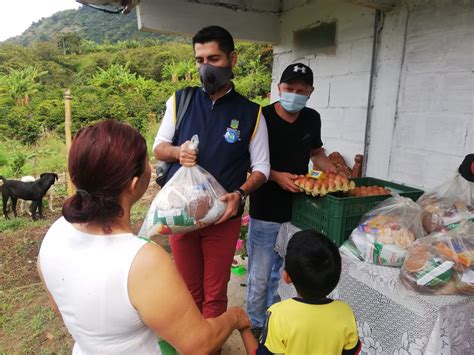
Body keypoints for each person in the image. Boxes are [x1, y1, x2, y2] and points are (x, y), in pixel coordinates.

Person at [37, 120, 250, 354]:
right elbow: (198, 343)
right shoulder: (142, 261)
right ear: (134, 184)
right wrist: (235, 318)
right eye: (147, 162)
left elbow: (61, 309)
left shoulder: (55, 233)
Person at [153, 25, 270, 320]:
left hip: (222, 217)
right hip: (181, 214)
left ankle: (210, 348)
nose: (206, 68)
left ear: (232, 59)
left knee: (215, 296)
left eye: (214, 59)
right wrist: (178, 152)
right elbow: (158, 147)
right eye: (199, 60)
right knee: (189, 292)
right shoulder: (180, 101)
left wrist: (240, 193)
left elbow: (262, 169)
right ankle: (195, 345)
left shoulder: (251, 113)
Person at [247, 63, 335, 336]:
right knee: (260, 277)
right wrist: (276, 176)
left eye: (301, 90)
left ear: (310, 92)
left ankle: (276, 323)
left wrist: (331, 171)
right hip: (266, 210)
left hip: (299, 211)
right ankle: (254, 326)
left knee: (285, 276)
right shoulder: (262, 117)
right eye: (289, 88)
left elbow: (316, 152)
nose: (294, 94)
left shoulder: (312, 118)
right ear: (279, 88)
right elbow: (249, 162)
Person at [240, 230, 361, 355]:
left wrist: (243, 328)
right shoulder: (345, 312)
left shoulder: (278, 314)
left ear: (286, 277)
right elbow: (352, 351)